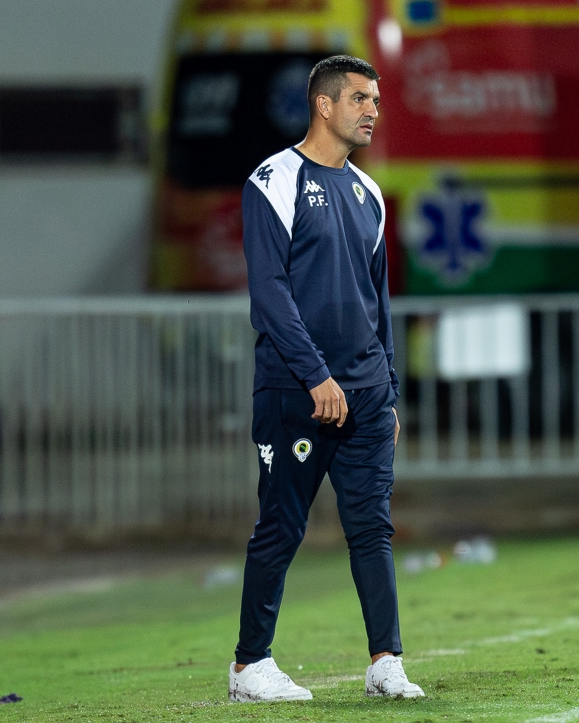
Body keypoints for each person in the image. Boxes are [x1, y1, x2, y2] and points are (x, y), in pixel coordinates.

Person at [229, 55, 424, 702]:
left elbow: (378, 301)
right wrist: (317, 376)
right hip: (295, 391)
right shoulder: (273, 181)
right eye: (361, 98)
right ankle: (250, 665)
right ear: (324, 104)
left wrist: (387, 391)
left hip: (366, 394)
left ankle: (386, 660)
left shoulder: (369, 193)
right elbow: (270, 292)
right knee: (281, 526)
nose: (374, 110)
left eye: (376, 99)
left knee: (373, 526)